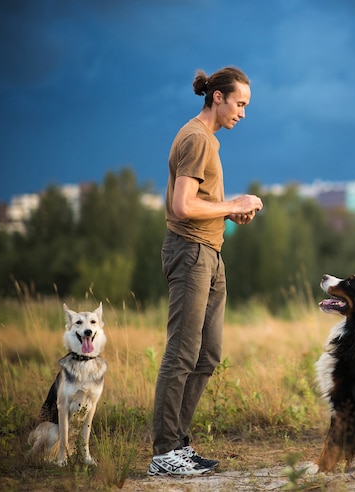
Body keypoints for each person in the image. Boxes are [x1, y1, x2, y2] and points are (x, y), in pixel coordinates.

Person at [148, 66, 263, 477]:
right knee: (181, 352)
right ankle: (164, 452)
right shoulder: (197, 138)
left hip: (210, 252)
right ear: (218, 97)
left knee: (207, 353)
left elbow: (200, 203)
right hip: (191, 253)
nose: (243, 113)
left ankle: (178, 445)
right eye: (240, 103)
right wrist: (232, 205)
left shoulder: (208, 140)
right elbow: (182, 206)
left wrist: (231, 212)